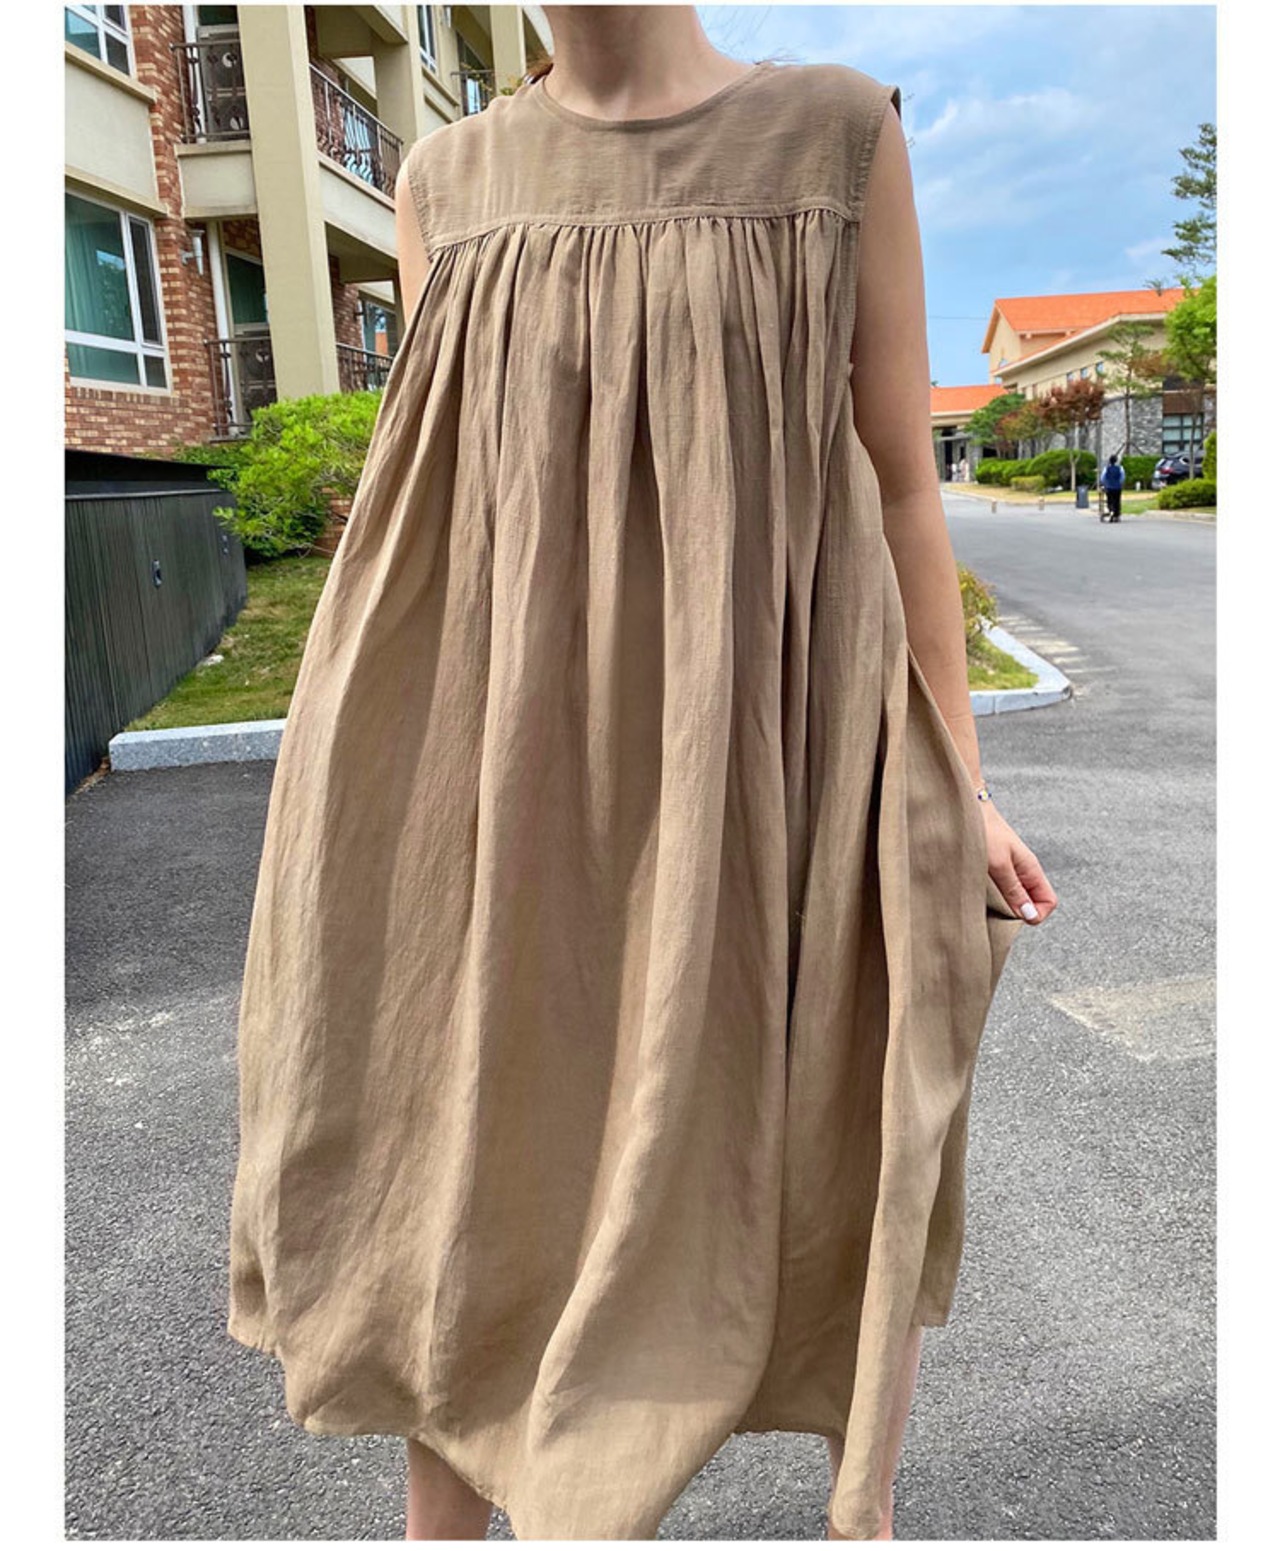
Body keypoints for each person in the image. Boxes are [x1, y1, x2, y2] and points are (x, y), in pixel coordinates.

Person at [226, 6, 1058, 1543]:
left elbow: (901, 482)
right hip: (490, 758)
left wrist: (962, 774)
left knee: (837, 1087)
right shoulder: (445, 181)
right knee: (463, 1129)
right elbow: (457, 502)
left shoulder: (834, 135)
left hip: (764, 732)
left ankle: (861, 1512)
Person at [1102, 452, 1126, 521]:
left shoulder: (1106, 468)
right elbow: (1122, 477)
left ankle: (1111, 510)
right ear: (1116, 460)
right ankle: (1116, 514)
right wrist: (1120, 483)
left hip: (1109, 487)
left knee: (1109, 500)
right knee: (1117, 500)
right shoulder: (1120, 468)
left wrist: (1105, 484)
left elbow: (1103, 478)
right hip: (1117, 487)